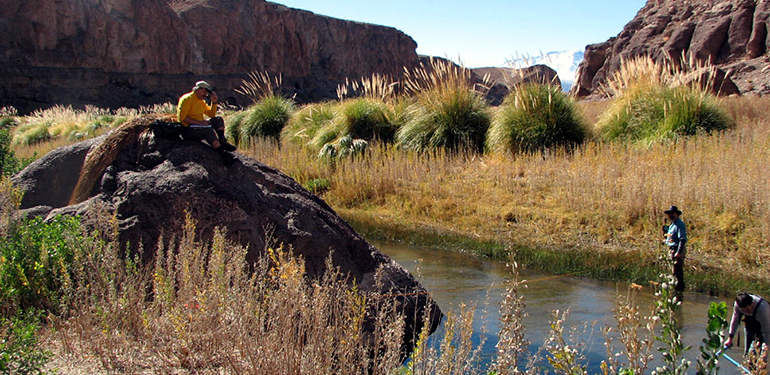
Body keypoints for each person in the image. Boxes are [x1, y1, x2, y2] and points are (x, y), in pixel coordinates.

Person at [177, 81, 237, 165]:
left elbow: (211, 114)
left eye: (207, 93)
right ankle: (222, 154)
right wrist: (199, 123)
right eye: (204, 91)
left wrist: (214, 102)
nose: (205, 94)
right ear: (198, 89)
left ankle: (222, 141)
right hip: (188, 129)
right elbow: (182, 118)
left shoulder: (201, 101)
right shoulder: (187, 99)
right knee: (208, 130)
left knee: (218, 119)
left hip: (198, 126)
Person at [725, 292, 770, 361]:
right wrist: (730, 338)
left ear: (752, 303)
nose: (746, 312)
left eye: (747, 310)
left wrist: (764, 354)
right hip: (750, 323)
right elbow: (735, 320)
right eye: (743, 311)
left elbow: (767, 333)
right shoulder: (738, 304)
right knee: (747, 355)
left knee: (760, 356)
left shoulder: (762, 310)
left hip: (764, 326)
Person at [662, 205, 687, 292]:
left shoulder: (679, 224)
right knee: (672, 271)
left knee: (677, 272)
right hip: (672, 249)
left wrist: (678, 252)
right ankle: (674, 291)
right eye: (669, 214)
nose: (670, 215)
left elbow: (682, 239)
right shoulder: (673, 224)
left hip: (676, 249)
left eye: (672, 213)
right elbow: (669, 237)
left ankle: (679, 291)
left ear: (676, 214)